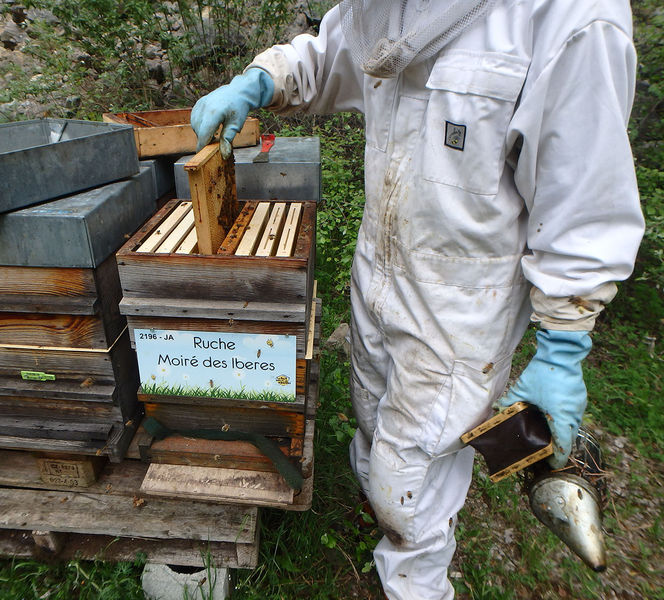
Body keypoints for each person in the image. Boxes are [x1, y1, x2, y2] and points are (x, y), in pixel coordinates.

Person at [191, 1, 645, 598]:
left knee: (413, 473)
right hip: (379, 270)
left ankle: (415, 576)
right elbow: (334, 53)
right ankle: (384, 522)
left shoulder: (567, 15)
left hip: (461, 307)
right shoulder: (385, 5)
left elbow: (583, 192)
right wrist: (262, 80)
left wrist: (562, 345)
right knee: (372, 415)